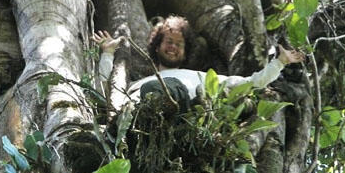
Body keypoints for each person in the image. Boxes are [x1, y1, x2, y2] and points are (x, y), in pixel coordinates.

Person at [93, 16, 305, 106]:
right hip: (137, 113)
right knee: (150, 87)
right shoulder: (136, 83)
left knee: (171, 89)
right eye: (168, 41)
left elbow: (251, 83)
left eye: (179, 44)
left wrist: (279, 63)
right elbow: (103, 92)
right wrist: (108, 53)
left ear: (186, 54)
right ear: (157, 46)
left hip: (178, 111)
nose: (172, 47)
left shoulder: (200, 78)